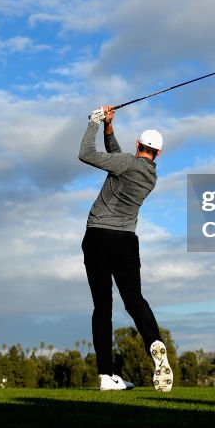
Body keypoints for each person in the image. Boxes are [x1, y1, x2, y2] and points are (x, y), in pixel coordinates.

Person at [78, 104, 173, 392]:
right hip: (126, 242)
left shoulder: (125, 163)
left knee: (102, 307)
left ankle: (106, 375)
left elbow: (86, 154)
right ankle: (153, 340)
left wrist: (94, 122)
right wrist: (109, 128)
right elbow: (118, 159)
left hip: (98, 237)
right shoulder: (150, 175)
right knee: (134, 300)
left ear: (137, 145)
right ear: (159, 153)